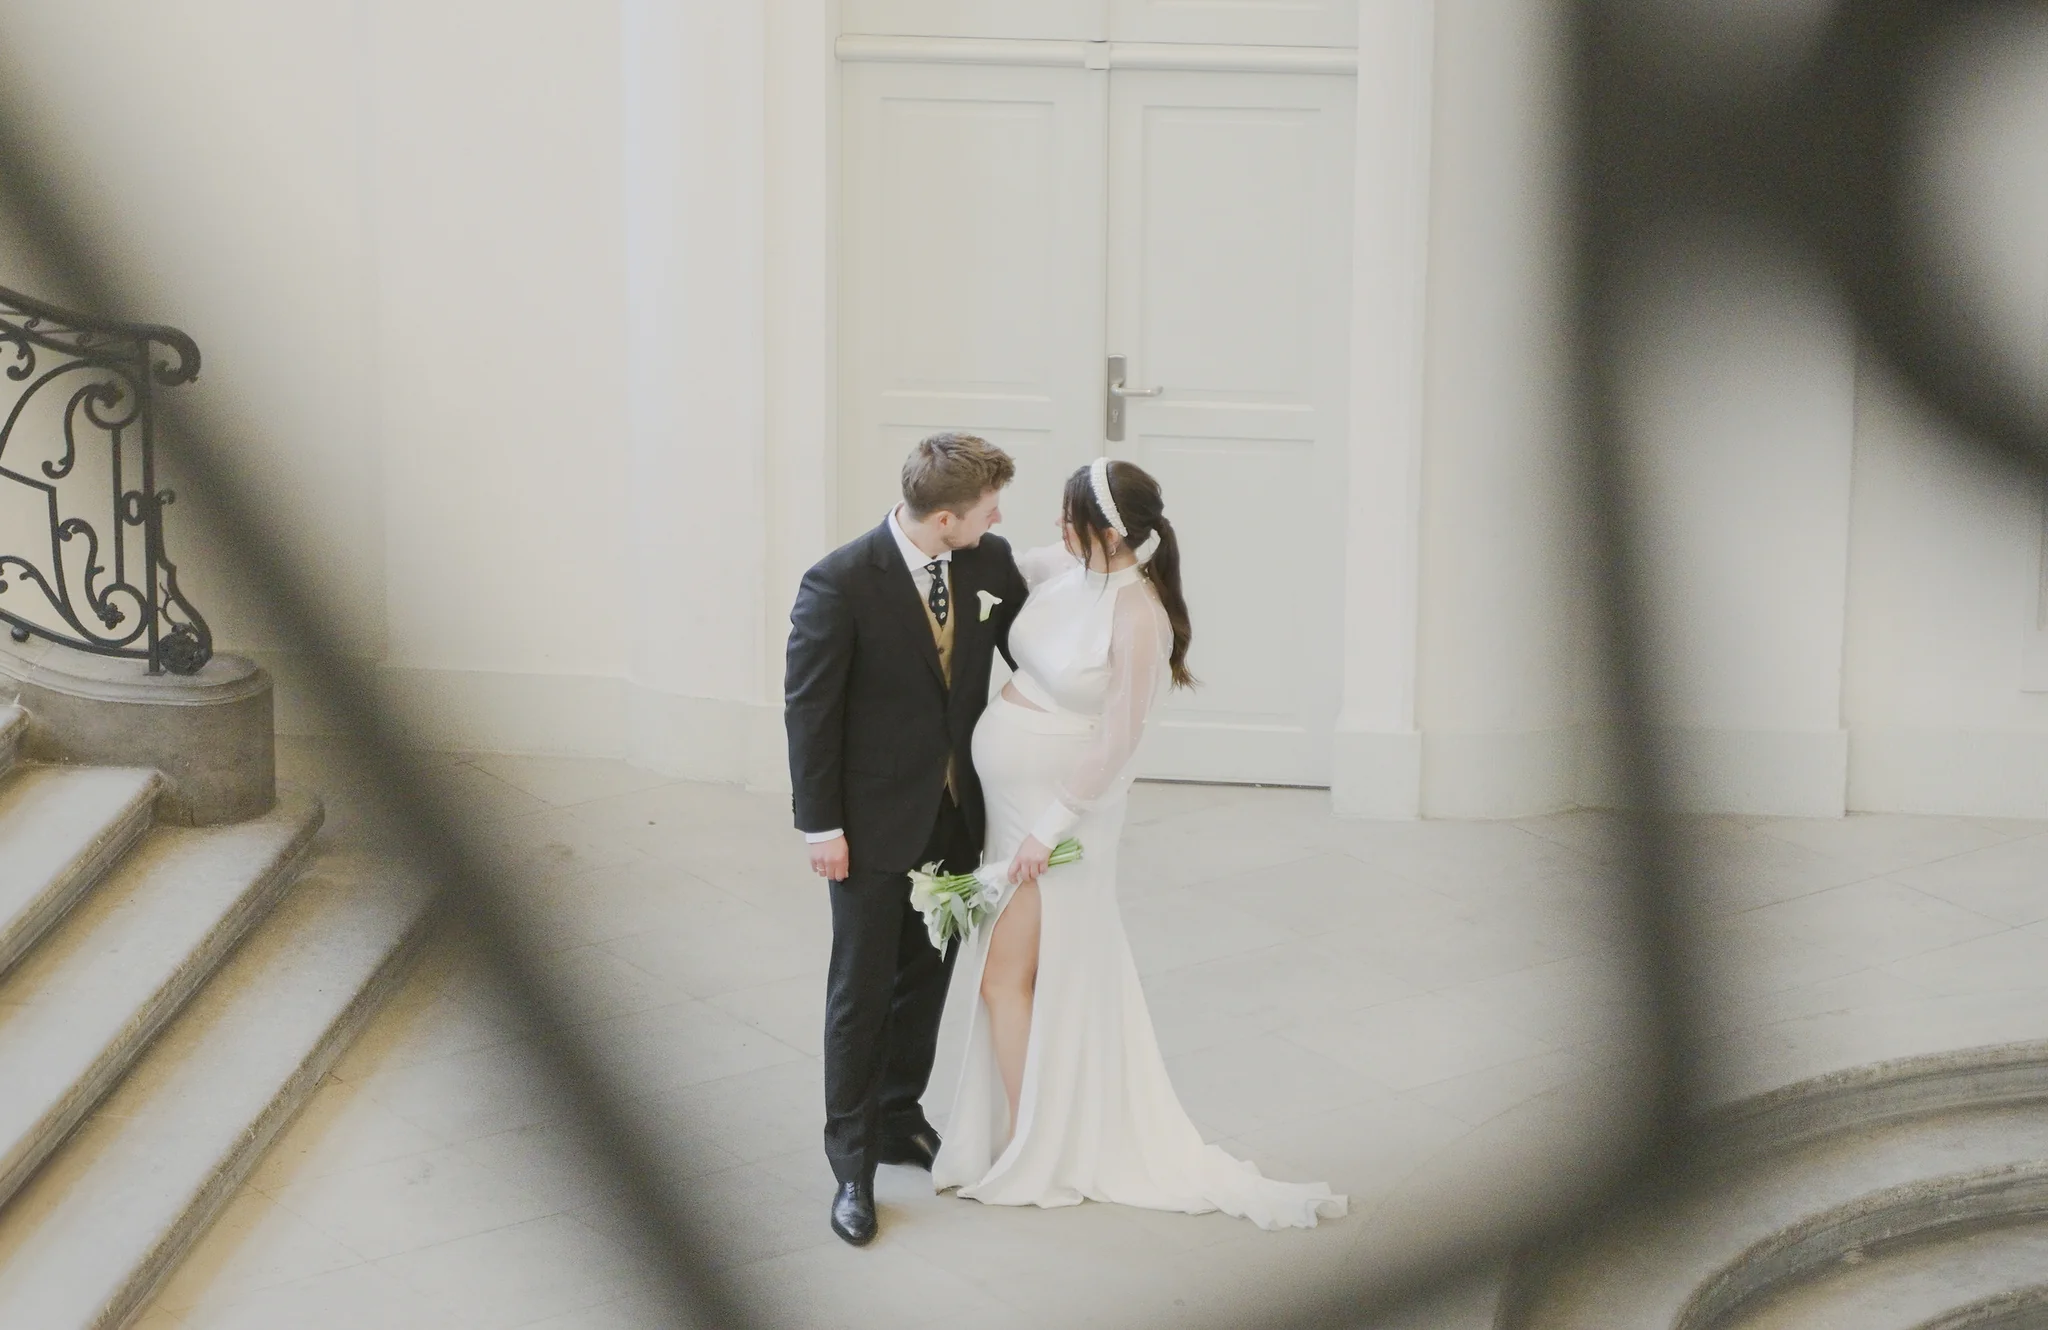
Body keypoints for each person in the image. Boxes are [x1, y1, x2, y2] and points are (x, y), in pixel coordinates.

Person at [931, 457, 1348, 1230]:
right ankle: (1027, 1132)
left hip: (1057, 821)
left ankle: (1036, 1145)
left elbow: (1119, 742)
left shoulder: (1139, 618)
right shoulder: (1068, 566)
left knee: (1007, 980)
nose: (1055, 530)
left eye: (1069, 519)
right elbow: (1000, 565)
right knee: (1019, 979)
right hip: (1011, 807)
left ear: (1108, 533)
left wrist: (1049, 830)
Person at [784, 433, 1030, 1247]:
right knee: (860, 992)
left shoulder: (988, 564)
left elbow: (1036, 642)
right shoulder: (840, 582)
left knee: (927, 976)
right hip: (868, 826)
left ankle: (897, 1115)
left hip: (958, 817)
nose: (1000, 521)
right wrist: (822, 826)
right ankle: (851, 1163)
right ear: (946, 516)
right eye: (989, 509)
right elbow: (810, 713)